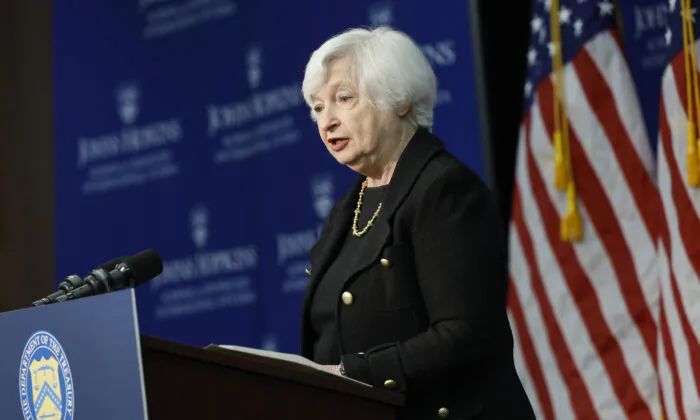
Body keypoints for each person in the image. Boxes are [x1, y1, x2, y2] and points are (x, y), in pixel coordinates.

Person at [299, 26, 535, 420]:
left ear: (400, 99)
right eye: (318, 108)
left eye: (343, 99)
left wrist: (353, 373)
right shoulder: (346, 210)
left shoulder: (444, 189)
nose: (327, 121)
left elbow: (466, 333)